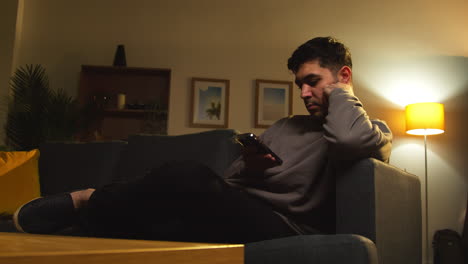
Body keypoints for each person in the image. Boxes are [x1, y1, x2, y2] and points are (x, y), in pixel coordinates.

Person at [13, 36, 392, 243]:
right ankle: (68, 229)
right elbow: (232, 179)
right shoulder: (286, 126)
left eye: (313, 81)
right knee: (166, 222)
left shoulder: (370, 130)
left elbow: (347, 140)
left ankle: (85, 200)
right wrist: (253, 166)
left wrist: (340, 91)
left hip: (284, 227)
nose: (305, 93)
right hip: (236, 207)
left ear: (343, 76)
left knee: (189, 175)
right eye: (300, 85)